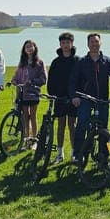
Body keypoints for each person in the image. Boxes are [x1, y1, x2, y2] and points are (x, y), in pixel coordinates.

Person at [69, 33, 110, 161]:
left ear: (100, 43)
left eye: (96, 42)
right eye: (92, 42)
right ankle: (78, 154)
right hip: (85, 98)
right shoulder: (82, 62)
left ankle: (104, 155)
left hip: (102, 99)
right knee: (82, 124)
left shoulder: (107, 61)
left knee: (104, 128)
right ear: (88, 44)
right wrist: (74, 96)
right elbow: (73, 81)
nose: (94, 44)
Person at [46, 32, 80, 163]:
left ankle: (74, 153)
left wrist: (76, 95)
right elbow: (51, 81)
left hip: (73, 98)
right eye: (63, 43)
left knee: (73, 125)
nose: (66, 45)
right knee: (60, 125)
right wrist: (52, 94)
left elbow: (80, 80)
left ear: (72, 44)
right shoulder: (56, 62)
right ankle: (60, 153)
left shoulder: (77, 60)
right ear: (60, 44)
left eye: (68, 42)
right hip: (60, 98)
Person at [12, 40, 47, 149]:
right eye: (27, 47)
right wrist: (13, 80)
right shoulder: (22, 62)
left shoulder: (40, 63)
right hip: (23, 94)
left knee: (33, 115)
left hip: (33, 93)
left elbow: (43, 79)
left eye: (31, 47)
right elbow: (17, 75)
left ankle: (34, 140)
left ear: (35, 48)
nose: (29, 49)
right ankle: (27, 139)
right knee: (25, 117)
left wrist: (32, 81)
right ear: (24, 49)